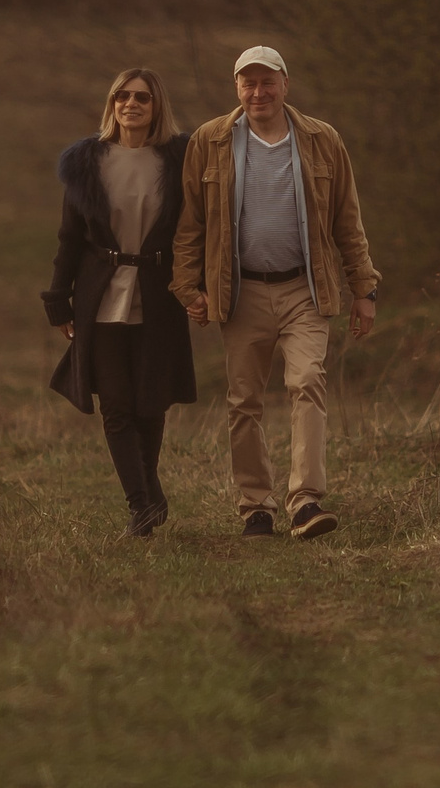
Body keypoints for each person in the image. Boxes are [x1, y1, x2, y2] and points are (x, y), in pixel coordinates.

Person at [171, 46, 379, 539]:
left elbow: (347, 220)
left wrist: (364, 289)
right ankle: (255, 506)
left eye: (268, 82)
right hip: (240, 291)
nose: (258, 92)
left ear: (286, 84)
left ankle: (305, 502)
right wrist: (188, 288)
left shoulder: (321, 139)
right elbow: (190, 224)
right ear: (236, 88)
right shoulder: (211, 140)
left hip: (304, 289)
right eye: (249, 83)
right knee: (244, 399)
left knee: (307, 381)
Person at [43, 68, 199, 535]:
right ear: (111, 105)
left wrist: (201, 287)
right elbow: (70, 239)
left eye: (142, 98)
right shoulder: (86, 163)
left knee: (151, 404)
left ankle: (149, 490)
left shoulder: (179, 161)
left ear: (156, 107)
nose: (130, 104)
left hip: (159, 294)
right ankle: (141, 506)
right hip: (100, 297)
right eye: (122, 97)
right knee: (116, 406)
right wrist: (59, 300)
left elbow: (197, 233)